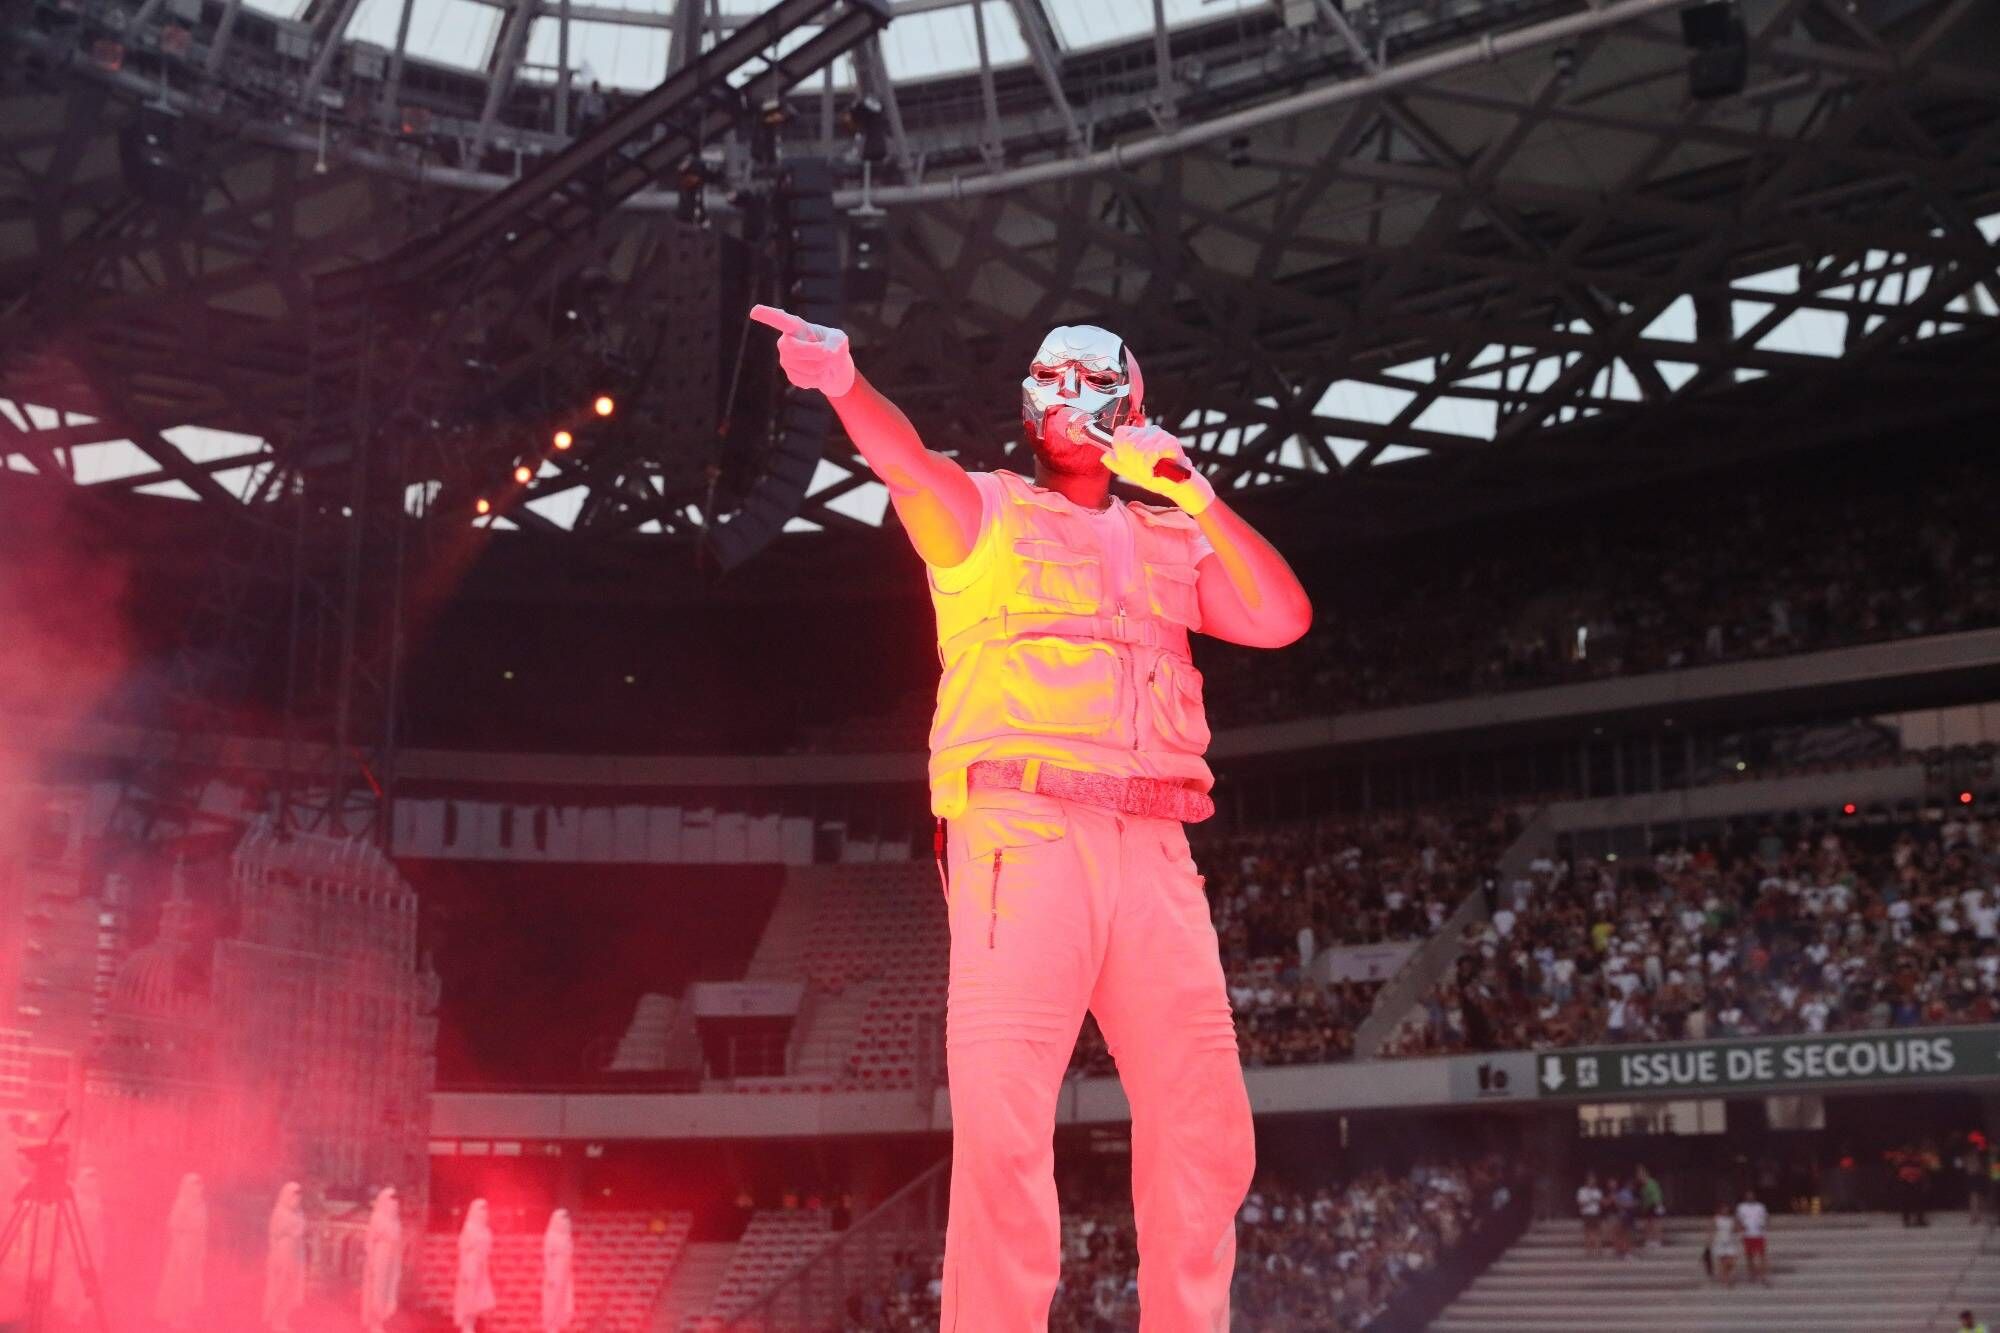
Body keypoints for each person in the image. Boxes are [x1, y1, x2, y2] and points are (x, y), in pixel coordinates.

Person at [750, 309, 1311, 1330]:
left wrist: (1192, 489)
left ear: (1132, 405)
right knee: (1005, 1135)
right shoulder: (986, 512)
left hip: (1153, 848)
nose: (1063, 392)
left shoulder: (1168, 535)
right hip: (1022, 833)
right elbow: (907, 464)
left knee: (1209, 1129)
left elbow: (1279, 617)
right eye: (1046, 375)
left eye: (1091, 376)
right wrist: (841, 383)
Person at [153, 1172, 207, 1331]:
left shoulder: (202, 1206)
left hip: (195, 1249)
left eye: (199, 1185)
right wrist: (179, 1251)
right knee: (178, 1285)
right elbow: (174, 1229)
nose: (198, 1189)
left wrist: (201, 1251)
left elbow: (204, 1231)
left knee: (191, 1286)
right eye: (194, 1185)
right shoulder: (181, 1204)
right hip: (181, 1250)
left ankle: (185, 1316)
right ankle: (175, 1317)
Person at [263, 1182, 307, 1333]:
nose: (297, 1199)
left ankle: (284, 1320)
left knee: (290, 1288)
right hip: (282, 1254)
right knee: (280, 1287)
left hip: (295, 1255)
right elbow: (274, 1236)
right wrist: (275, 1259)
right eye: (294, 1195)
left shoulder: (299, 1213)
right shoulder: (279, 1213)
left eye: (299, 1196)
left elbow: (300, 1232)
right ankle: (276, 1321)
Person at [361, 1187, 403, 1333]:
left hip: (392, 1257)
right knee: (377, 1289)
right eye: (391, 1200)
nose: (394, 1203)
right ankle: (374, 1323)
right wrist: (372, 1261)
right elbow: (370, 1241)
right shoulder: (377, 1218)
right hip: (380, 1256)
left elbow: (398, 1243)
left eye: (396, 1200)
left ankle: (381, 1321)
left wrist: (398, 1262)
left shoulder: (396, 1221)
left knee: (387, 1288)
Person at [455, 1198, 498, 1332]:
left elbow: (488, 1250)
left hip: (482, 1267)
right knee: (468, 1296)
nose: (484, 1213)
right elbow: (463, 1249)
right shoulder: (469, 1228)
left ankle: (472, 1323)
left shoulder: (486, 1230)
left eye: (485, 1210)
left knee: (478, 1297)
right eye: (481, 1209)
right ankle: (467, 1325)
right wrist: (465, 1271)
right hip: (470, 1266)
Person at [542, 1208, 576, 1333]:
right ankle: (551, 1327)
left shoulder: (567, 1237)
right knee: (553, 1301)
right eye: (563, 1219)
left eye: (566, 1220)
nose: (565, 1222)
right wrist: (550, 1274)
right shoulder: (551, 1236)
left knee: (564, 1301)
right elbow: (547, 1256)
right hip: (555, 1271)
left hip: (566, 1273)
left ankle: (559, 1325)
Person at [1735, 1188, 1769, 1285]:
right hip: (1747, 1235)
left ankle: (1763, 1276)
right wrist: (1740, 1227)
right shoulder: (1741, 1207)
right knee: (1749, 1256)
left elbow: (1766, 1217)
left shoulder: (1760, 1206)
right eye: (1748, 1195)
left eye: (1752, 1195)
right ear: (1745, 1197)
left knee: (1762, 1255)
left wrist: (1765, 1226)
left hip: (1759, 1234)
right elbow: (1738, 1219)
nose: (1750, 1197)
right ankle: (1752, 1275)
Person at [1709, 1201, 1741, 1288]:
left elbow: (1737, 1229)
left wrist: (1736, 1224)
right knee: (1723, 1261)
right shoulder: (1716, 1219)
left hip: (1730, 1241)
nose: (1725, 1211)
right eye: (1723, 1209)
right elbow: (1712, 1230)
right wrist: (1710, 1241)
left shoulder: (1732, 1219)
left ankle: (1726, 1276)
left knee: (1731, 1262)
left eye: (1726, 1209)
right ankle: (1727, 1280)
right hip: (1719, 1241)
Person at [1636, 1164, 1666, 1247]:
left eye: (1640, 1174)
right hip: (1647, 1208)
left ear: (1645, 1174)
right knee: (1647, 1224)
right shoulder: (1642, 1187)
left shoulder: (1652, 1183)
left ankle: (1658, 1240)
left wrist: (1658, 1206)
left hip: (1655, 1205)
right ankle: (1649, 1240)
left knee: (1656, 1223)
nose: (1639, 1177)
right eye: (1638, 1175)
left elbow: (1657, 1195)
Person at [1577, 1172, 1604, 1256]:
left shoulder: (1598, 1191)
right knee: (1587, 1232)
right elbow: (1580, 1203)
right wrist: (1590, 1201)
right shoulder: (1582, 1191)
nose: (1592, 1182)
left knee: (1597, 1232)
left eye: (1593, 1180)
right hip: (1586, 1214)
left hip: (1595, 1213)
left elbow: (1601, 1202)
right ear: (1587, 1181)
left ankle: (1598, 1250)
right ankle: (1588, 1251)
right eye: (1590, 1180)